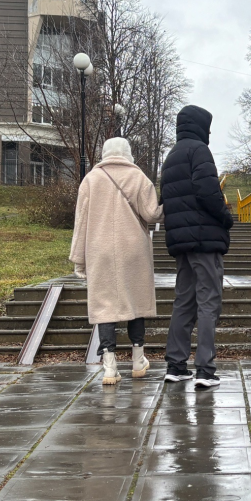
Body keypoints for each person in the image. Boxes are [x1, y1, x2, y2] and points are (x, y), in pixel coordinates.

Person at [69, 137, 164, 385]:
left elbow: (81, 223)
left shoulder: (90, 180)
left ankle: (109, 366)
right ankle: (137, 359)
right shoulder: (139, 177)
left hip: (99, 249)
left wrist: (79, 259)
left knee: (104, 306)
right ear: (127, 153)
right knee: (136, 301)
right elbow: (152, 214)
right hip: (133, 249)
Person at [159, 105, 233, 388]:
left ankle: (176, 366)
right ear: (201, 127)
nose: (210, 133)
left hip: (182, 242)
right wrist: (226, 218)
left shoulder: (171, 156)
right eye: (209, 128)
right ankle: (205, 369)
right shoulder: (199, 151)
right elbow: (207, 191)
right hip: (204, 240)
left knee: (183, 302)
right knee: (208, 302)